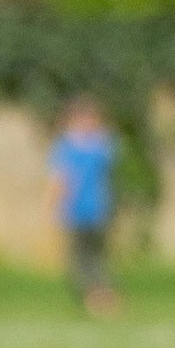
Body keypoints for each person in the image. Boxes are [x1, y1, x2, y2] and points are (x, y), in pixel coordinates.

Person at [47, 94, 121, 314]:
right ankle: (100, 297)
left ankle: (99, 299)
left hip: (90, 209)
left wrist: (51, 205)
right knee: (86, 258)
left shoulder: (73, 147)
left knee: (86, 258)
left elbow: (62, 179)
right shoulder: (99, 145)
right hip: (84, 209)